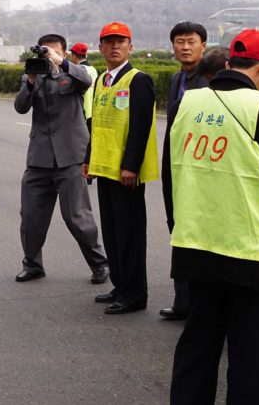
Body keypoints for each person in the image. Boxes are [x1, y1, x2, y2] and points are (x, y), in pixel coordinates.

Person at [166, 30, 259, 405]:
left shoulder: (187, 103)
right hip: (250, 250)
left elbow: (172, 171)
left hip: (196, 243)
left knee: (198, 343)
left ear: (228, 64)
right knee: (250, 354)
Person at [13, 34, 109, 285]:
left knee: (77, 216)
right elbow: (21, 107)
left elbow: (86, 80)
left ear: (64, 54)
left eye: (53, 53)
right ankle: (32, 264)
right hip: (39, 158)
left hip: (70, 158)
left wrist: (59, 63)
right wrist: (32, 81)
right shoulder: (33, 76)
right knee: (31, 216)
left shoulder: (73, 75)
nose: (47, 58)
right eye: (43, 53)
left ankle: (99, 263)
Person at [84, 22, 159, 315]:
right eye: (109, 42)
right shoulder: (103, 79)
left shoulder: (138, 80)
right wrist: (88, 158)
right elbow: (96, 124)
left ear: (131, 46)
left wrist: (131, 166)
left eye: (121, 42)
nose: (115, 46)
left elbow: (141, 127)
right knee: (113, 233)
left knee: (130, 234)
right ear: (100, 48)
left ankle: (135, 294)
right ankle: (120, 285)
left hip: (125, 173)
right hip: (105, 169)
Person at [160, 21, 209, 322]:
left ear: (204, 45)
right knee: (178, 228)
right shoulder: (178, 77)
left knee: (197, 234)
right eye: (180, 42)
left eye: (191, 41)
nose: (185, 47)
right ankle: (183, 300)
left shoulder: (210, 80)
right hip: (175, 162)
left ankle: (199, 305)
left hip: (199, 165)